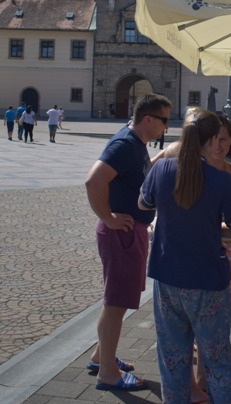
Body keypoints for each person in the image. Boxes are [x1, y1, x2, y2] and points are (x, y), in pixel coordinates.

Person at [139, 110, 231, 403]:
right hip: (207, 279)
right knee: (217, 360)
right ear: (212, 139)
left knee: (172, 358)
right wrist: (212, 226)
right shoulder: (221, 179)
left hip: (167, 276)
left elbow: (143, 203)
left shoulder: (162, 170)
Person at [84, 93, 171, 391]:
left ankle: (101, 356)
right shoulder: (125, 144)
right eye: (164, 120)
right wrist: (107, 217)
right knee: (116, 302)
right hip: (121, 232)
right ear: (148, 119)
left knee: (117, 300)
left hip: (129, 231)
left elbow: (136, 175)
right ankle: (108, 374)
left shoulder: (135, 142)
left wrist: (161, 157)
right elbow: (93, 180)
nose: (166, 127)